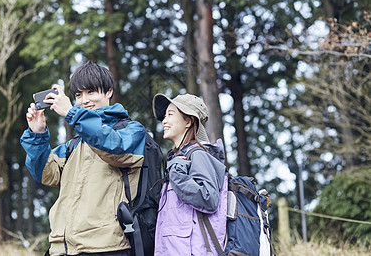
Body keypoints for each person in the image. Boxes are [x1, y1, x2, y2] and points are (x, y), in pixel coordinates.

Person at [20, 61, 146, 256]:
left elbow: (116, 150)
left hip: (107, 247)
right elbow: (46, 175)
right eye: (78, 95)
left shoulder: (130, 130)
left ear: (109, 92)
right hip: (62, 248)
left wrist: (72, 113)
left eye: (91, 92)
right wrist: (38, 134)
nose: (84, 100)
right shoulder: (74, 144)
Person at [152, 93, 228, 255]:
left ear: (188, 121)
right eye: (164, 116)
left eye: (170, 114)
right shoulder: (179, 159)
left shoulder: (198, 155)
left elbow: (209, 198)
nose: (164, 121)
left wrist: (177, 174)